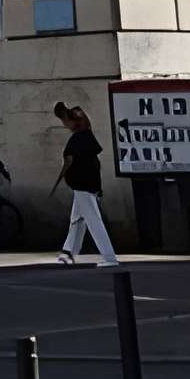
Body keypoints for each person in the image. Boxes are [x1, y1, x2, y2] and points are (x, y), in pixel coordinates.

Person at [51, 101, 120, 268]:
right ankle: (68, 253)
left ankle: (110, 258)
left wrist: (58, 180)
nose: (64, 125)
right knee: (77, 219)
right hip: (88, 184)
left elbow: (69, 161)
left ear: (70, 121)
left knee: (92, 220)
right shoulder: (88, 136)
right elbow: (94, 164)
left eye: (64, 121)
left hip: (82, 185)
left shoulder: (76, 140)